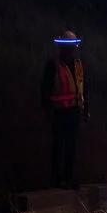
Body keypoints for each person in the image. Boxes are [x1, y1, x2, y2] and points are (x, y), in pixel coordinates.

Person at [40, 31, 89, 189]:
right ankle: (57, 179)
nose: (72, 49)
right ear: (62, 47)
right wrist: (47, 110)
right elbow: (45, 89)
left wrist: (86, 109)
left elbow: (83, 88)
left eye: (73, 45)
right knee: (58, 146)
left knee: (71, 147)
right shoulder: (53, 65)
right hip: (59, 113)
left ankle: (68, 178)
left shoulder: (78, 64)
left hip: (74, 112)